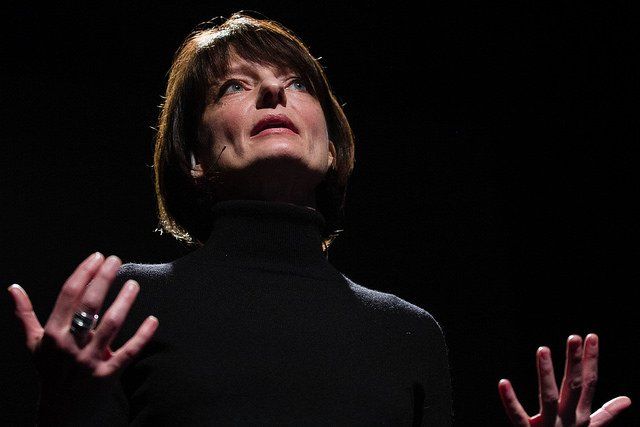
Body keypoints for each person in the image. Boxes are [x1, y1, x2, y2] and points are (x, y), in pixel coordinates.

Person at [6, 12, 631, 426]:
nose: (274, 94)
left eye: (297, 83)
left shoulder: (409, 335)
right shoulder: (125, 305)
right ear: (194, 157)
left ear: (331, 146)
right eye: (234, 87)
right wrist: (68, 405)